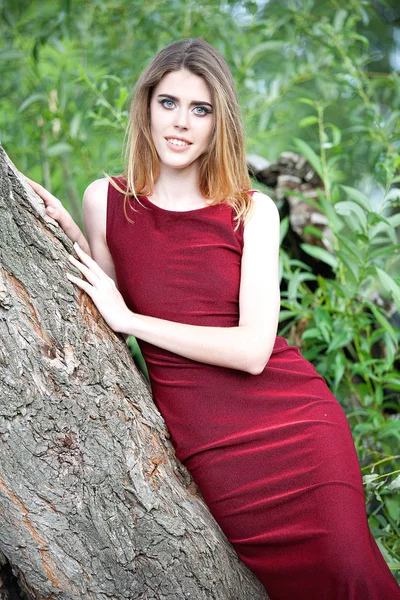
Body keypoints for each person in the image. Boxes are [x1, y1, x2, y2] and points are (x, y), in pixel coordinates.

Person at [28, 38, 400, 600]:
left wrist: (133, 320)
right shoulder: (104, 200)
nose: (181, 123)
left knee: (348, 574)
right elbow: (106, 301)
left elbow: (253, 350)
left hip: (294, 427)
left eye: (200, 109)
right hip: (213, 447)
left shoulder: (253, 209)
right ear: (146, 106)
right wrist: (64, 234)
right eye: (169, 103)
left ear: (217, 122)